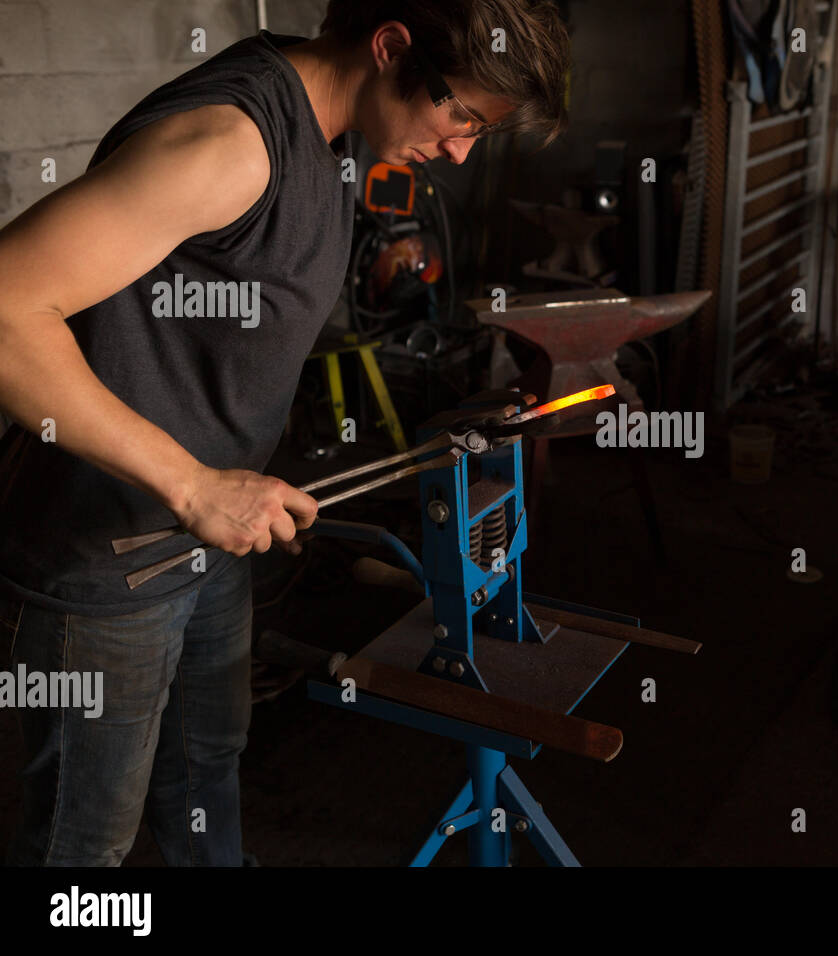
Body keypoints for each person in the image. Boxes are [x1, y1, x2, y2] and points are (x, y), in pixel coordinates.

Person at [0, 0, 569, 866]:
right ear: (389, 48)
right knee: (83, 845)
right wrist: (193, 483)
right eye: (462, 115)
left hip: (208, 543)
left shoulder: (332, 134)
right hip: (105, 563)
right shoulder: (232, 143)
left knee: (204, 776)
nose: (460, 150)